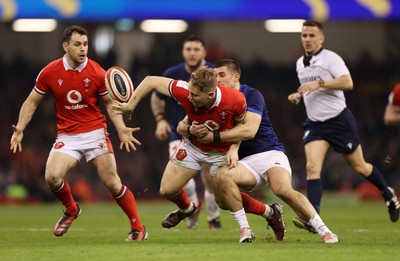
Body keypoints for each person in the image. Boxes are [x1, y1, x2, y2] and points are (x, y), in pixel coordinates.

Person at [9, 25, 147, 241]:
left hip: (95, 132)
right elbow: (32, 101)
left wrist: (120, 128)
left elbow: (110, 104)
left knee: (112, 182)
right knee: (52, 178)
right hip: (68, 135)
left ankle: (138, 227)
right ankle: (71, 209)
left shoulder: (97, 71)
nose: (83, 49)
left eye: (85, 44)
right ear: (65, 46)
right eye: (77, 44)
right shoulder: (50, 71)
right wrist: (20, 128)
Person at [115, 67, 284, 243]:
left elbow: (241, 126)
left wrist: (234, 149)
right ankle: (188, 209)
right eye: (190, 92)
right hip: (193, 147)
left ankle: (267, 214)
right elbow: (150, 80)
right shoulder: (186, 89)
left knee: (223, 201)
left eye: (195, 95)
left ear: (210, 95)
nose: (189, 97)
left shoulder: (235, 99)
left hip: (221, 152)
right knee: (166, 190)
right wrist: (130, 105)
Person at [179, 59, 338, 243]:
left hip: (268, 152)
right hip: (244, 163)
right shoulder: (211, 99)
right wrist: (190, 130)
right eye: (216, 75)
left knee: (282, 189)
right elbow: (184, 125)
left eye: (222, 75)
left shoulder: (251, 95)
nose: (218, 79)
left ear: (236, 76)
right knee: (222, 198)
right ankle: (268, 214)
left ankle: (325, 231)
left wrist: (217, 139)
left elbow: (249, 130)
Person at [287, 20, 399, 232]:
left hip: (339, 121)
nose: (307, 39)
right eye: (304, 35)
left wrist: (319, 84)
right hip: (315, 124)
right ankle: (314, 218)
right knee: (312, 167)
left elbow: (348, 83)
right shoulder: (300, 63)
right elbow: (310, 89)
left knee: (360, 167)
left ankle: (388, 194)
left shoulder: (331, 58)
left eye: (312, 36)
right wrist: (299, 94)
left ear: (321, 39)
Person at [150, 35, 221, 229]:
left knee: (210, 179)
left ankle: (213, 218)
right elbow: (157, 98)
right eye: (188, 49)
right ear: (183, 52)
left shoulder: (215, 73)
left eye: (196, 49)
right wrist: (160, 120)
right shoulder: (173, 73)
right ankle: (192, 210)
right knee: (182, 181)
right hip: (178, 132)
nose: (192, 53)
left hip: (207, 132)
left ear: (204, 52)